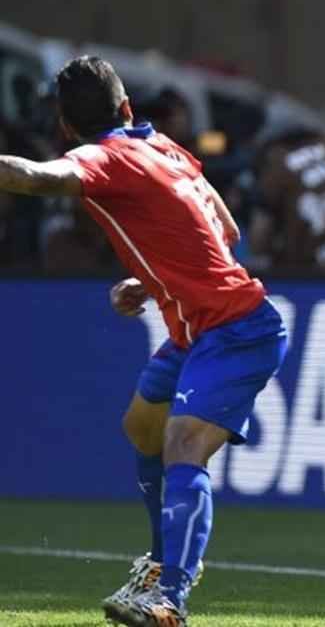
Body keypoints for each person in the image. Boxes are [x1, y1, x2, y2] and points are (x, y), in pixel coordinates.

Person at [0, 56, 288, 627]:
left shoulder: (102, 157)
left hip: (235, 327)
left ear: (64, 128)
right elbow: (223, 227)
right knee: (143, 428)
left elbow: (34, 178)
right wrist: (154, 278)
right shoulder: (161, 146)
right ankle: (161, 564)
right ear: (128, 108)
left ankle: (171, 598)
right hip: (197, 328)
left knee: (183, 445)